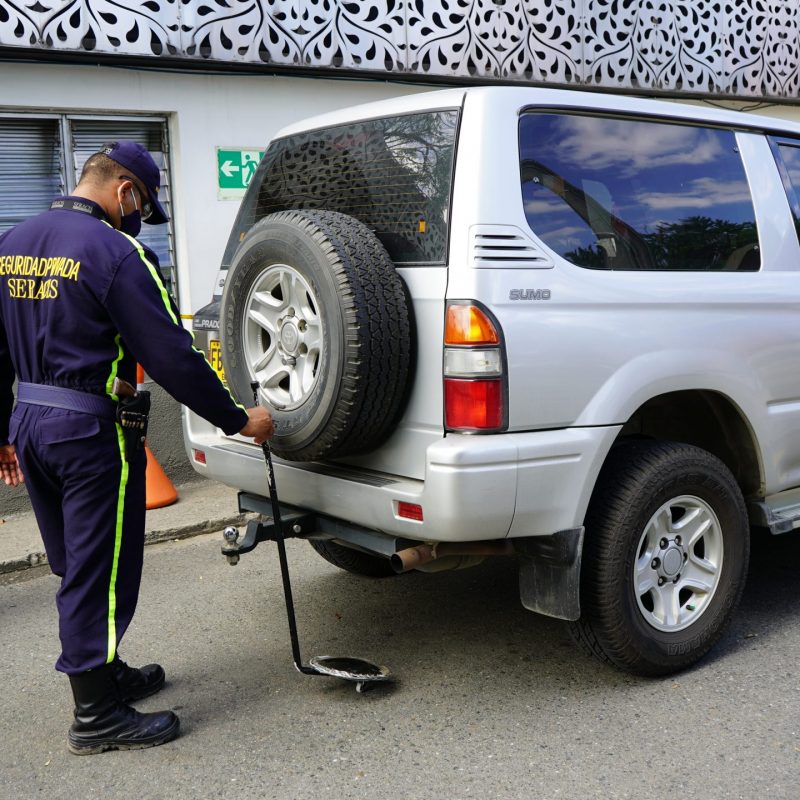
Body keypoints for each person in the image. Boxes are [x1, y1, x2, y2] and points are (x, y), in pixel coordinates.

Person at [0, 141, 273, 755]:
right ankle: (96, 716)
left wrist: (2, 433)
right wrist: (235, 419)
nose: (137, 220)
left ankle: (105, 671)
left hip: (31, 424)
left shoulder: (10, 241)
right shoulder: (118, 254)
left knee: (75, 560)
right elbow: (172, 352)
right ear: (126, 192)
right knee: (101, 569)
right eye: (141, 207)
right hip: (90, 432)